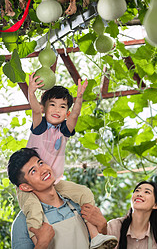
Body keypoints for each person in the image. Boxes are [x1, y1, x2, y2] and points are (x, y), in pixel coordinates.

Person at [16, 74, 117, 249]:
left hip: (54, 183)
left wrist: (79, 98)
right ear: (44, 108)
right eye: (52, 105)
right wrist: (31, 93)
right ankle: (40, 242)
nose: (57, 109)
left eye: (62, 106)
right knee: (34, 213)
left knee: (84, 192)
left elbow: (76, 114)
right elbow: (35, 110)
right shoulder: (39, 128)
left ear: (66, 112)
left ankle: (95, 236)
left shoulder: (64, 131)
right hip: (29, 187)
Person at [8, 148, 118, 249]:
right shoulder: (23, 223)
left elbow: (97, 245)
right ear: (25, 187)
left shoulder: (78, 205)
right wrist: (42, 244)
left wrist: (102, 228)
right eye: (33, 171)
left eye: (41, 163)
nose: (43, 170)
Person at [81, 181, 157, 249]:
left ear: (156, 205)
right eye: (137, 191)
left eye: (147, 192)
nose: (139, 194)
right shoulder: (115, 226)